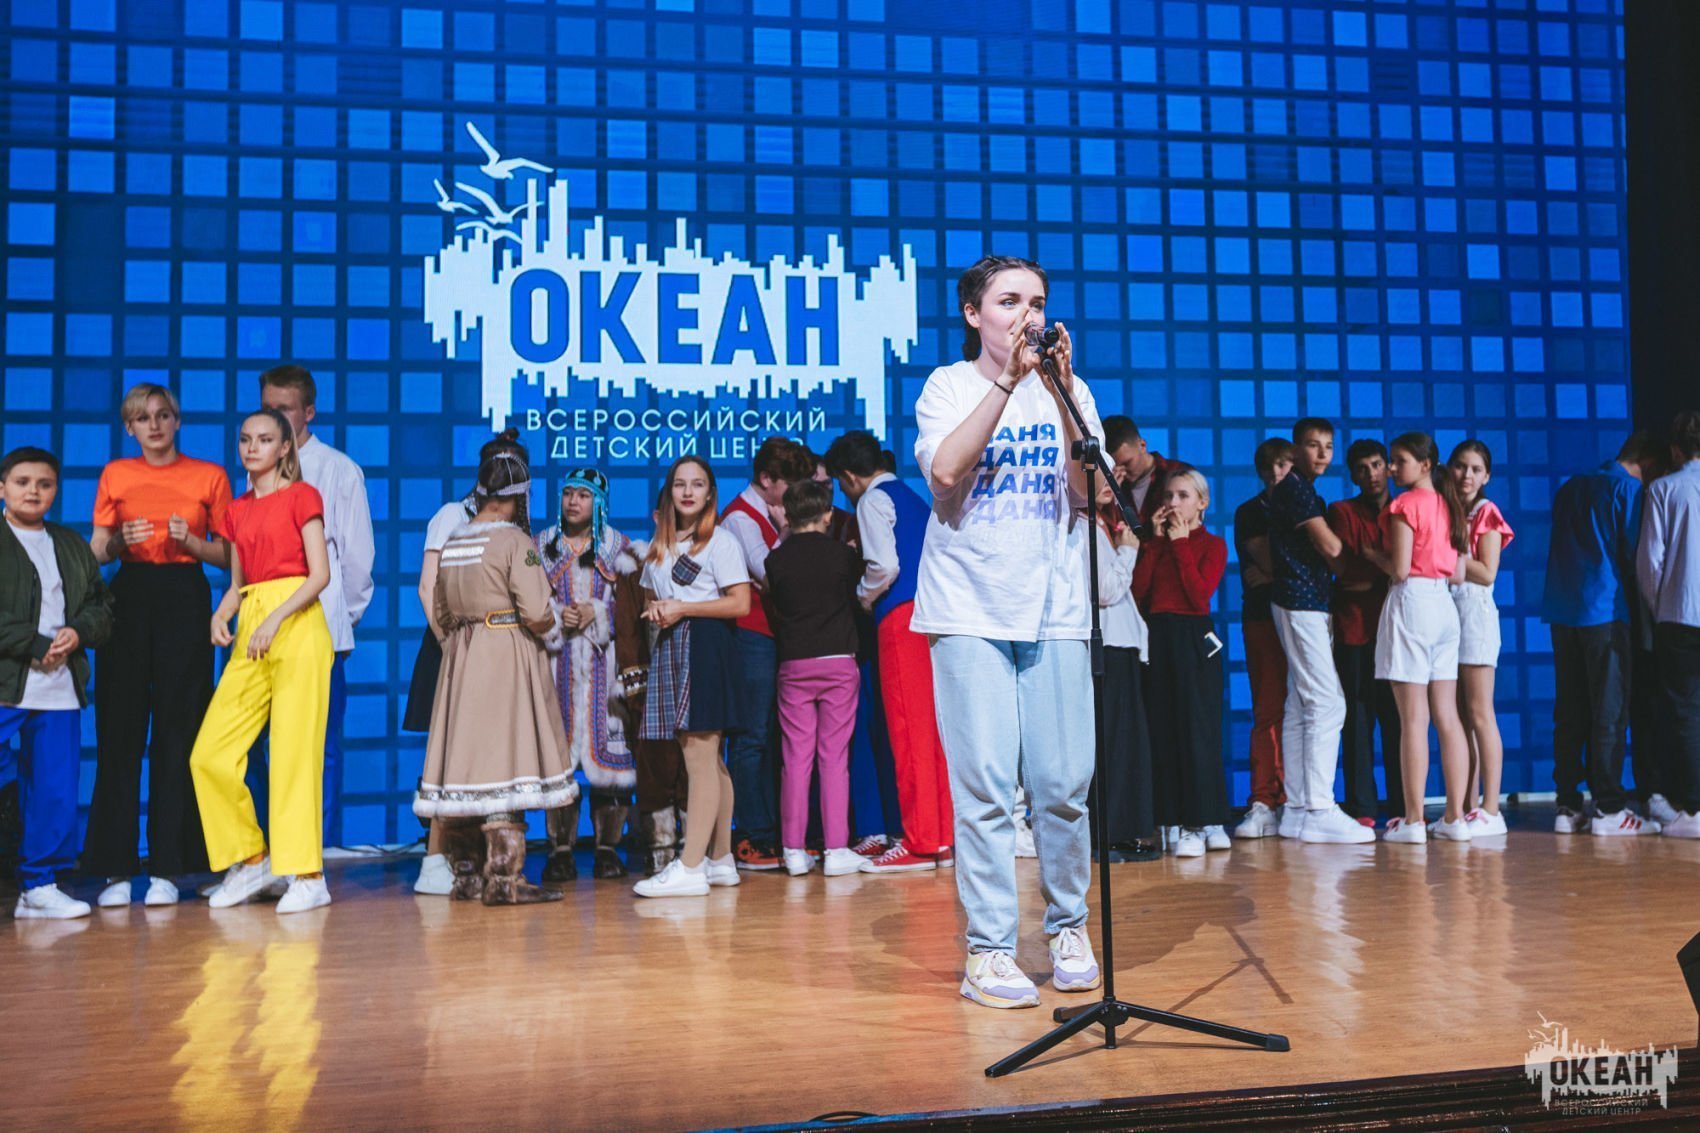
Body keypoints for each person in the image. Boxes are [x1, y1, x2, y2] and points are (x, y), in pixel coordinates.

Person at [913, 254, 1104, 1009]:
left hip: (1055, 609)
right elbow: (946, 472)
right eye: (1009, 300)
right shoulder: (949, 386)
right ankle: (989, 949)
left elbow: (1088, 493)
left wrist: (1058, 391)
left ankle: (1069, 928)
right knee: (988, 790)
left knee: (1063, 785)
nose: (1028, 314)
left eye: (1038, 301)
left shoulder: (1071, 392)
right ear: (974, 313)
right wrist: (1007, 385)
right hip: (969, 609)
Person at [83, 384, 232, 908]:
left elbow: (230, 555)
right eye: (142, 418)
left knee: (179, 730)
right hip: (128, 595)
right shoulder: (115, 474)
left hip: (184, 596)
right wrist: (117, 543)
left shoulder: (209, 475)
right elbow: (97, 550)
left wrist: (192, 543)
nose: (154, 425)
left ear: (177, 421)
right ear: (129, 428)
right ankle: (116, 870)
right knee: (119, 731)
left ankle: (171, 866)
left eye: (163, 415)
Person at [413, 450, 576, 905]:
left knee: (467, 764)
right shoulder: (514, 542)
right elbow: (536, 609)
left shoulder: (455, 541)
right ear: (516, 496)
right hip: (505, 651)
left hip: (461, 658)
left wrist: (460, 647)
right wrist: (549, 625)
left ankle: (466, 875)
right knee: (507, 761)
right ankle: (505, 879)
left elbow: (440, 608)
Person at [189, 409, 336, 913]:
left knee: (295, 754)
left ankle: (308, 875)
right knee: (209, 753)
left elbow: (320, 574)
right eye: (246, 439)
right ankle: (253, 858)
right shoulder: (237, 509)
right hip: (252, 623)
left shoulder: (303, 496)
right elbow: (238, 583)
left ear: (285, 447)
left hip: (297, 622)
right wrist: (221, 613)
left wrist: (276, 617)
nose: (252, 448)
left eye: (265, 439)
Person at [824, 429, 955, 873]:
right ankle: (941, 838)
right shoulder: (913, 497)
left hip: (900, 617)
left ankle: (919, 843)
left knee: (906, 727)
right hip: (933, 615)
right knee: (932, 732)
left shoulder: (872, 501)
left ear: (848, 476)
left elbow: (883, 567)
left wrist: (862, 597)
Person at [405, 428, 530, 896]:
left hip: (496, 655)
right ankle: (435, 860)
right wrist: (453, 647)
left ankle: (485, 864)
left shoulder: (516, 528)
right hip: (454, 646)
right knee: (450, 757)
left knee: (494, 758)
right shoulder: (451, 516)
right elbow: (428, 587)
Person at [258, 365, 374, 847]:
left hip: (319, 631)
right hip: (262, 633)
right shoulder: (256, 466)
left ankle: (313, 854)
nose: (273, 419)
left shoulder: (338, 470)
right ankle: (263, 854)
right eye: (267, 408)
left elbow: (357, 559)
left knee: (318, 748)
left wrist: (339, 623)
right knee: (261, 746)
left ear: (308, 412)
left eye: (284, 409)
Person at [633, 456, 754, 898]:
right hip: (672, 646)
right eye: (680, 484)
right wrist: (660, 610)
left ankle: (690, 867)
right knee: (711, 761)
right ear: (669, 492)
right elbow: (653, 598)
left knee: (700, 758)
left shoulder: (721, 541)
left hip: (706, 644)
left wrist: (684, 608)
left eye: (697, 484)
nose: (688, 492)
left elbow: (740, 603)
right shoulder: (659, 545)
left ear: (710, 494)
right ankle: (720, 860)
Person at [1, 447, 113, 918]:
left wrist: (78, 632)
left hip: (59, 687)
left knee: (54, 790)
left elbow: (101, 606)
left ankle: (39, 886)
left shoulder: (69, 544)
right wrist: (33, 642)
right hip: (8, 682)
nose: (33, 491)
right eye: (22, 482)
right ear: (2, 487)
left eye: (44, 484)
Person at [1542, 433, 1661, 835]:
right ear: (1648, 462)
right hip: (1604, 611)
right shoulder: (1628, 491)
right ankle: (1609, 808)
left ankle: (1566, 804)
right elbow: (1636, 555)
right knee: (1609, 711)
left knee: (1570, 710)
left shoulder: (1570, 488)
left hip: (1562, 610)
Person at [536, 469, 643, 881]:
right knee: (558, 761)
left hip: (605, 664)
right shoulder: (540, 546)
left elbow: (632, 608)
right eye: (568, 493)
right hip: (557, 663)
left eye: (583, 495)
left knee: (612, 761)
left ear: (599, 501)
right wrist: (555, 615)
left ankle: (607, 847)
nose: (573, 501)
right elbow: (526, 598)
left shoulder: (621, 548)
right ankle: (560, 849)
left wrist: (596, 613)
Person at [1266, 418, 1370, 843]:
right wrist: (1372, 563)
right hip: (1300, 602)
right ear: (1295, 449)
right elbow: (1330, 547)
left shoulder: (1303, 489)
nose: (1323, 453)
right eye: (1313, 445)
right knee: (1328, 704)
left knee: (1301, 704)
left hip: (1302, 601)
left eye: (1328, 445)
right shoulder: (1295, 488)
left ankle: (1296, 810)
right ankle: (1319, 809)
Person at [720, 436, 816, 871]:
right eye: (789, 484)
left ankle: (779, 831)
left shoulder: (767, 513)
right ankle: (751, 834)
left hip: (774, 635)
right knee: (751, 737)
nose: (794, 494)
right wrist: (789, 531)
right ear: (765, 479)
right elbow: (769, 574)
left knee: (774, 735)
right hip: (749, 636)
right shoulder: (740, 518)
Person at [764, 479, 864, 877]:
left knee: (795, 758)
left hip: (794, 663)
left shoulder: (775, 561)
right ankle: (836, 849)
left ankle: (793, 850)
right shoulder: (843, 555)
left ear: (787, 516)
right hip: (838, 660)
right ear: (827, 514)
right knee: (834, 757)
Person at [1376, 433, 1471, 845]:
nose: (1392, 468)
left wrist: (1370, 555)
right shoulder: (1452, 506)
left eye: (1400, 461)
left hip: (1412, 602)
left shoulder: (1404, 505)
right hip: (1444, 606)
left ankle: (1414, 820)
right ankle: (1455, 817)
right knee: (1448, 716)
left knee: (1414, 719)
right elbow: (1459, 572)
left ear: (1425, 464)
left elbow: (1399, 569)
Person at [1133, 469, 1231, 857]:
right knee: (1164, 730)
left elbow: (1198, 596)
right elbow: (1139, 592)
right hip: (1158, 635)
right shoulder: (1155, 543)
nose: (1173, 503)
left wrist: (1180, 545)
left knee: (1198, 729)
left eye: (1183, 496)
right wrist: (1157, 543)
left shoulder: (1213, 545)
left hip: (1194, 637)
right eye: (1168, 496)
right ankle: (1171, 819)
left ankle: (1204, 820)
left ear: (1202, 503)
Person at [1327, 439, 1404, 826]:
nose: (1371, 474)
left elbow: (1411, 569)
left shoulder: (1404, 510)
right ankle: (1362, 809)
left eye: (1376, 465)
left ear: (1389, 468)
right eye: (1362, 468)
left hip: (1399, 633)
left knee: (1399, 721)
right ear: (1353, 475)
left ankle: (1405, 807)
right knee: (1357, 722)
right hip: (1355, 630)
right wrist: (1388, 570)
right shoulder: (1341, 512)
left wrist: (1380, 564)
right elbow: (1347, 575)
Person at [1637, 410, 1700, 838]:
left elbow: (1650, 562)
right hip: (1678, 614)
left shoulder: (1663, 488)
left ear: (1676, 450)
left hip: (1679, 616)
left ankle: (1693, 809)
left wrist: (1659, 607)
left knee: (1684, 711)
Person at [1449, 440, 1515, 837]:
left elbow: (1488, 572)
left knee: (1479, 712)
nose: (1466, 475)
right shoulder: (1449, 511)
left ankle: (1492, 808)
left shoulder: (1487, 512)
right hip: (1448, 615)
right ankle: (1467, 806)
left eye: (1475, 469)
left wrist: (1443, 556)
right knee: (1460, 717)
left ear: (1487, 475)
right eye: (1460, 466)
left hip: (1474, 615)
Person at [1231, 439, 1292, 839]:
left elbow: (1315, 563)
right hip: (1262, 618)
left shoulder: (1313, 506)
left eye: (1284, 464)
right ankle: (1264, 800)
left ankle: (1297, 800)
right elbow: (1271, 560)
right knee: (1268, 709)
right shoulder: (1250, 512)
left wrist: (1276, 572)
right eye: (1269, 466)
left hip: (1307, 618)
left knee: (1308, 711)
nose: (1276, 473)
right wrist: (1281, 567)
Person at [1105, 416, 1177, 532]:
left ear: (1142, 445)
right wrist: (1112, 499)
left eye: (1127, 463)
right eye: (1114, 467)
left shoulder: (1176, 473)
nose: (1122, 472)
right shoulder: (1110, 484)